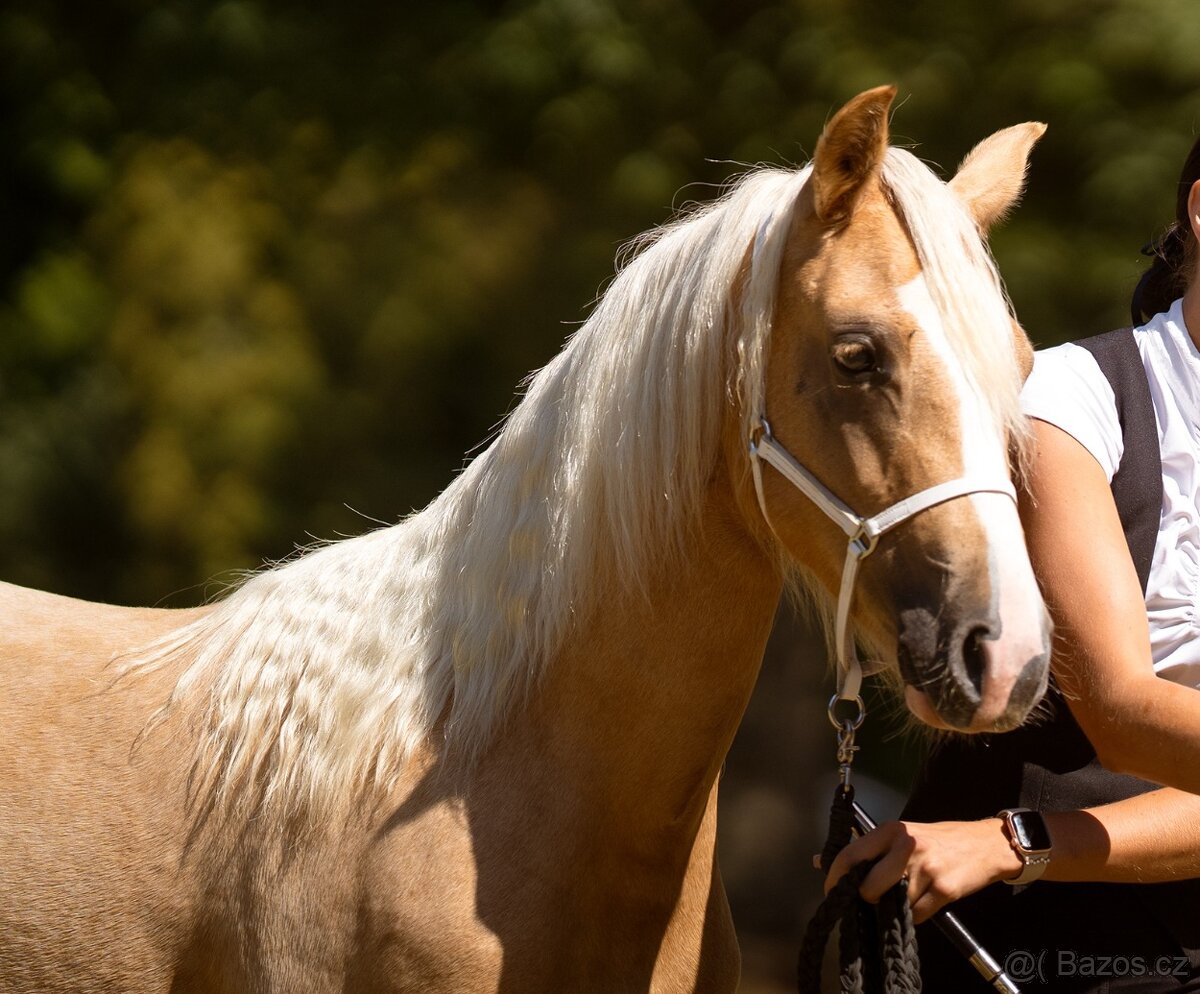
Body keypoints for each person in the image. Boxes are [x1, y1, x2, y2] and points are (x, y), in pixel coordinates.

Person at [827, 133, 1200, 993]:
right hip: (1022, 944)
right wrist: (1014, 841)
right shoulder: (1075, 398)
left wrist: (1014, 841)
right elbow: (1124, 712)